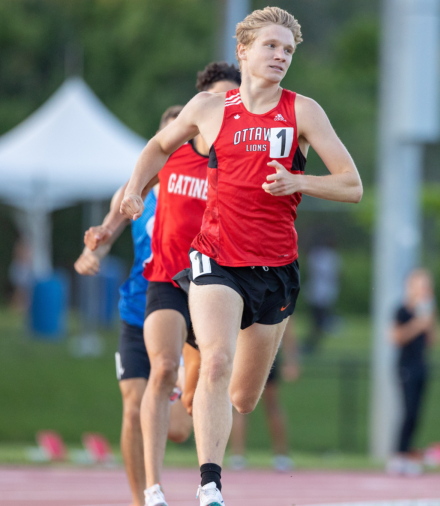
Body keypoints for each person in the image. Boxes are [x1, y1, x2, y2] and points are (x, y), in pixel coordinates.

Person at [119, 7, 362, 505]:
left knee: (244, 397)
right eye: (271, 46)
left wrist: (298, 181)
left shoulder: (303, 111)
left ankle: (198, 387)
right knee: (217, 361)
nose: (280, 56)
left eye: (288, 50)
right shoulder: (210, 109)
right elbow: (158, 146)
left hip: (275, 270)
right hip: (215, 258)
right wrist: (134, 188)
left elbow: (351, 185)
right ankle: (210, 485)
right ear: (244, 51)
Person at [88, 63, 241, 506]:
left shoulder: (238, 159)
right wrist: (104, 233)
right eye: (218, 96)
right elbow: (129, 188)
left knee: (189, 414)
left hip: (213, 284)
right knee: (157, 375)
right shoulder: (172, 154)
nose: (225, 105)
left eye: (233, 99)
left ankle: (188, 399)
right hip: (162, 284)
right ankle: (151, 492)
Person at [73, 106, 193, 506]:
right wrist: (91, 254)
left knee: (179, 430)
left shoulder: (200, 187)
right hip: (137, 309)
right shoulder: (134, 191)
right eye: (169, 141)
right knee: (131, 408)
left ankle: (177, 390)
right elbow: (104, 236)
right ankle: (141, 501)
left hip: (183, 312)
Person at [228, 317, 300, 472]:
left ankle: (280, 455)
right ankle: (238, 455)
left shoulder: (281, 302)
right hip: (248, 352)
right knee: (241, 406)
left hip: (265, 353)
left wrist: (291, 360)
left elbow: (288, 327)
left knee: (271, 405)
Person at [388, 268, 438, 476]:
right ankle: (398, 455)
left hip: (421, 365)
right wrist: (417, 324)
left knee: (416, 414)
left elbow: (433, 341)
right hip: (406, 366)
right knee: (408, 412)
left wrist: (429, 319)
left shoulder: (426, 311)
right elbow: (395, 338)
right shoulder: (402, 310)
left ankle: (408, 454)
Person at [302, 238, 341, 354]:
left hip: (320, 293)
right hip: (321, 293)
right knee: (318, 321)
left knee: (318, 321)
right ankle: (311, 344)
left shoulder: (320, 256)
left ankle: (311, 344)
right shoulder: (330, 256)